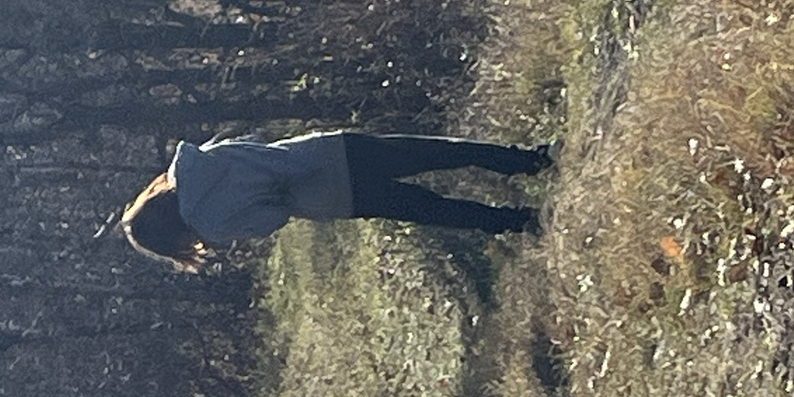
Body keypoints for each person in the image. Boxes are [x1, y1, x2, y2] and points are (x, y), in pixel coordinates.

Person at [120, 132, 551, 266]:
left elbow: (272, 218)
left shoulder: (210, 226)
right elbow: (259, 149)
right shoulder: (203, 158)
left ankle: (516, 220)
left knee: (428, 207)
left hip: (332, 196)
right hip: (327, 150)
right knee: (436, 152)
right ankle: (528, 160)